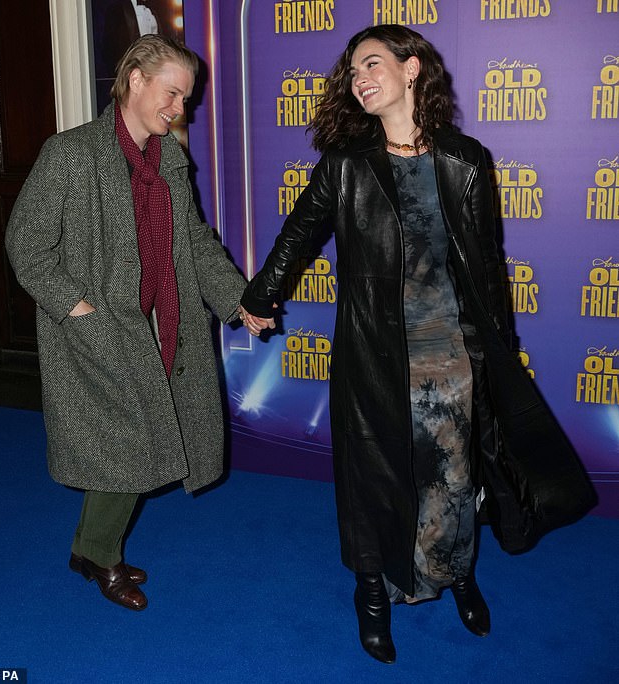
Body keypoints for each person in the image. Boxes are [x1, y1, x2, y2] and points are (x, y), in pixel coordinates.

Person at [239, 25, 595, 663]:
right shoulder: (346, 165)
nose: (359, 79)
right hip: (374, 354)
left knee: (454, 478)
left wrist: (498, 353)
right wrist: (260, 299)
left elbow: (488, 268)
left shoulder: (465, 160)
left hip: (451, 353)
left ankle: (458, 573)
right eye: (352, 72)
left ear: (411, 70)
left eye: (372, 64)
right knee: (375, 475)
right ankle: (372, 591)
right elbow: (296, 237)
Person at [6, 35, 247, 612]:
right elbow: (26, 244)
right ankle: (100, 557)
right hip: (98, 333)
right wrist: (76, 309)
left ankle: (91, 547)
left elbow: (194, 244)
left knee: (131, 442)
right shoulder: (70, 154)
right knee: (128, 445)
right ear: (135, 80)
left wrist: (238, 301)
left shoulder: (169, 160)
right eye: (172, 94)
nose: (179, 109)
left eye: (185, 99)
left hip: (161, 322)